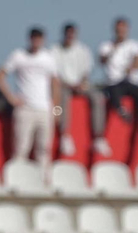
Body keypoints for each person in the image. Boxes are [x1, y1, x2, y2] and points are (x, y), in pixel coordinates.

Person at [91, 18, 138, 156]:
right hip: (113, 82)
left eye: (123, 28)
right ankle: (121, 110)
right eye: (118, 29)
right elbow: (101, 60)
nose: (121, 32)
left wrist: (131, 68)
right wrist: (114, 49)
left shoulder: (135, 45)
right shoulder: (107, 46)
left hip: (131, 81)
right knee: (114, 90)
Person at [0, 27, 61, 172]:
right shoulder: (19, 56)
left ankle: (43, 180)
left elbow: (56, 85)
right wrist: (11, 98)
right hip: (25, 109)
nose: (36, 42)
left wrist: (57, 111)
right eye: (34, 38)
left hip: (45, 110)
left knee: (44, 149)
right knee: (21, 148)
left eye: (39, 39)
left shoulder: (48, 58)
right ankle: (19, 179)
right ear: (30, 39)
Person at [51, 23, 93, 158]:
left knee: (97, 96)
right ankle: (64, 134)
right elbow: (54, 75)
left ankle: (99, 137)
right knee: (61, 100)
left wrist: (81, 83)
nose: (70, 36)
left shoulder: (83, 50)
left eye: (72, 33)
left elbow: (86, 72)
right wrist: (67, 85)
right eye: (68, 33)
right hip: (62, 87)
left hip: (80, 86)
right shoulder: (55, 50)